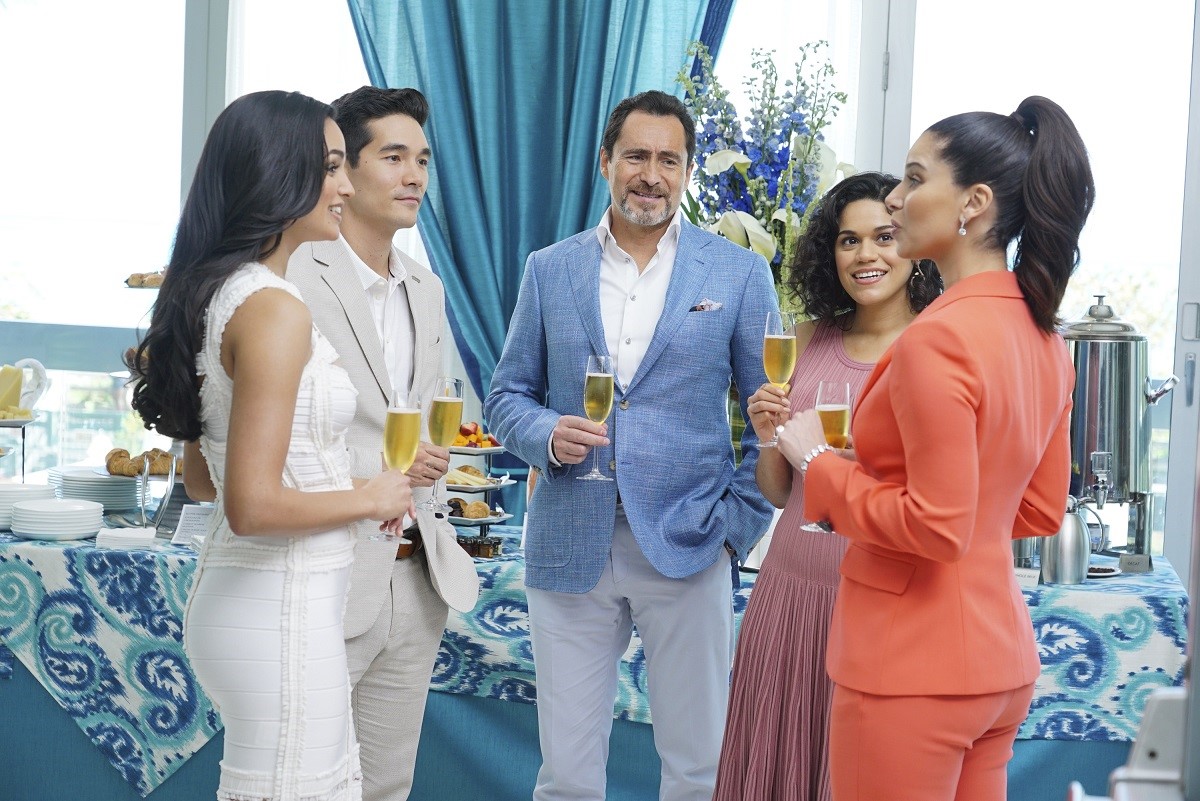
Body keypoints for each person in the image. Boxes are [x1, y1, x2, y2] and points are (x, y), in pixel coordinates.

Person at [778, 96, 1094, 801]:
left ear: (973, 204)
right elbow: (1039, 508)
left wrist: (821, 466)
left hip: (908, 666)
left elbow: (936, 525)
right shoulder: (1044, 336)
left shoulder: (937, 340)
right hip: (997, 665)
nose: (894, 197)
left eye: (915, 178)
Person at [484, 89, 778, 801]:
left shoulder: (737, 273)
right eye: (637, 156)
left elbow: (770, 411)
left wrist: (735, 530)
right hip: (568, 542)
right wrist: (547, 433)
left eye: (668, 160)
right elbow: (504, 397)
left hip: (691, 543)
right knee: (568, 775)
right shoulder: (549, 268)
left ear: (685, 172)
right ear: (605, 162)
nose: (651, 174)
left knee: (697, 768)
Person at [128, 89, 416, 801]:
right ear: (276, 176)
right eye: (330, 167)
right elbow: (252, 505)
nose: (346, 186)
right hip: (279, 609)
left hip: (254, 602)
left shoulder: (219, 293)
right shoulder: (274, 308)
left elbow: (204, 480)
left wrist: (348, 501)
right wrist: (368, 495)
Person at [713, 171, 942, 801]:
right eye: (848, 241)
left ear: (915, 245)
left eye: (884, 237)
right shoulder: (809, 337)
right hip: (790, 588)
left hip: (877, 598)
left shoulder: (935, 343)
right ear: (829, 253)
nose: (866, 255)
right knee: (776, 765)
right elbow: (782, 493)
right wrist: (766, 433)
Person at [286, 85, 479, 801]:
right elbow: (285, 431)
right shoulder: (293, 277)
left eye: (423, 160)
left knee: (386, 786)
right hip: (326, 570)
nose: (414, 176)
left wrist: (434, 453)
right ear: (343, 169)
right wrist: (386, 467)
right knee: (304, 781)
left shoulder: (426, 287)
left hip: (415, 572)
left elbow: (430, 418)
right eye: (393, 157)